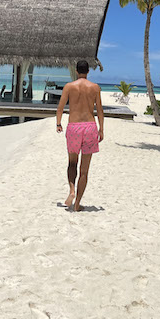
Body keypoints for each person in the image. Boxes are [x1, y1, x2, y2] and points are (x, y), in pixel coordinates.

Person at [56, 59, 104, 211]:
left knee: (72, 163)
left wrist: (58, 123)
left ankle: (71, 190)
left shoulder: (69, 87)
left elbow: (60, 107)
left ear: (76, 71)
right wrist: (101, 129)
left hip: (74, 127)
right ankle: (77, 204)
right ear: (88, 71)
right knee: (84, 170)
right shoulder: (95, 87)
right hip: (90, 127)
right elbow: (100, 110)